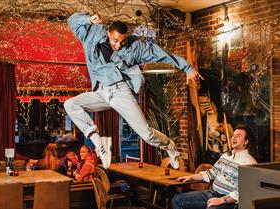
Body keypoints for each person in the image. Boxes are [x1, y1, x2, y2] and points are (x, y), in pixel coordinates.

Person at [65, 12, 202, 169]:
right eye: (115, 41)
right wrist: (88, 19)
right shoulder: (92, 34)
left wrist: (187, 68)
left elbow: (161, 54)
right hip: (101, 92)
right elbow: (72, 21)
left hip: (120, 91)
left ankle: (169, 146)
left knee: (147, 134)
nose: (118, 45)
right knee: (70, 105)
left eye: (122, 42)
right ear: (108, 33)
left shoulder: (135, 46)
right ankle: (98, 142)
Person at [172, 124, 257, 209]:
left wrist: (221, 200)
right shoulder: (225, 156)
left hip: (228, 201)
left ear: (246, 141)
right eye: (233, 135)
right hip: (211, 193)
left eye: (238, 136)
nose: (233, 138)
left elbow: (243, 191)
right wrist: (191, 177)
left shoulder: (249, 163)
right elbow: (211, 173)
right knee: (177, 200)